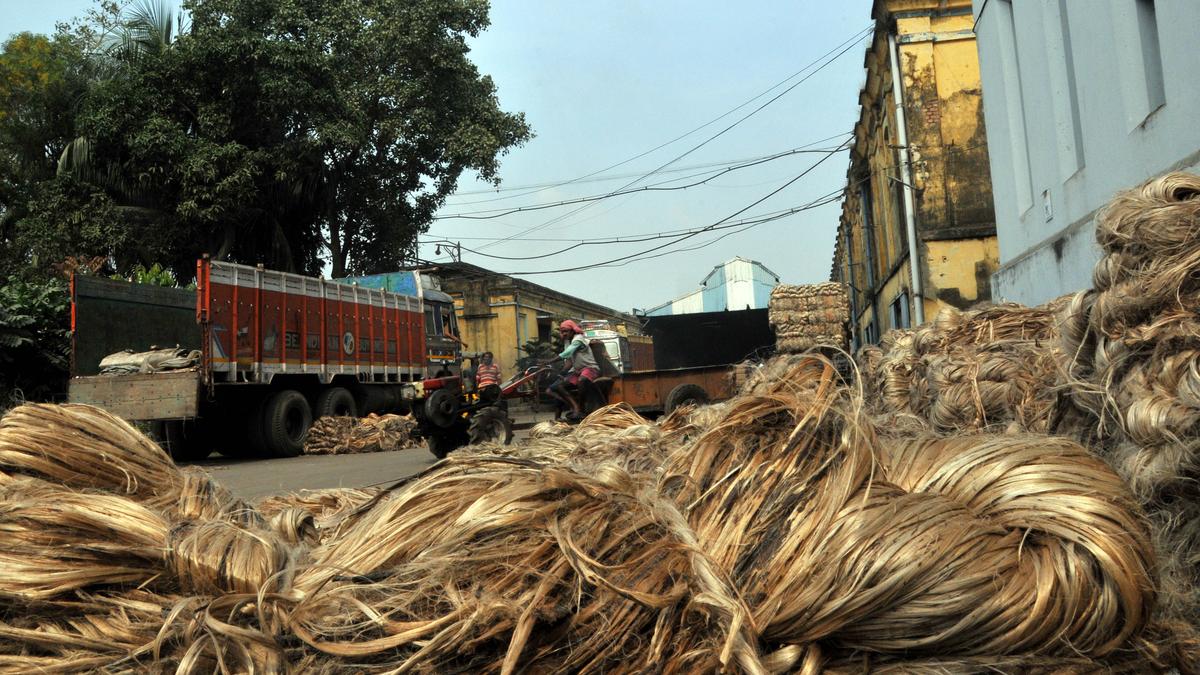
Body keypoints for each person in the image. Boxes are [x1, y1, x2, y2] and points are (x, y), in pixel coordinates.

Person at [548, 319, 599, 420]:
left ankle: (581, 409)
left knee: (581, 380)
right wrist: (561, 374)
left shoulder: (578, 339)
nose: (564, 334)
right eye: (562, 332)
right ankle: (575, 407)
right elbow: (569, 361)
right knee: (559, 386)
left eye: (566, 331)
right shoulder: (568, 342)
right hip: (578, 371)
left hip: (590, 368)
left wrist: (548, 361)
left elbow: (566, 354)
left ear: (572, 331)